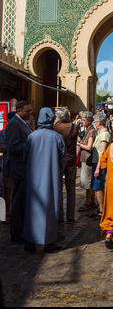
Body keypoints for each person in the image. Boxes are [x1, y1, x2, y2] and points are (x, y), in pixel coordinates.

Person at [23, 107, 66, 253]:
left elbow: (25, 156)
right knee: (49, 208)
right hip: (51, 178)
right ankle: (49, 241)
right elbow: (63, 158)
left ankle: (30, 240)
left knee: (32, 207)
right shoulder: (56, 137)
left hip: (33, 178)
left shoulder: (31, 136)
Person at [6, 101, 33, 243]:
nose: (30, 113)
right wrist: (29, 144)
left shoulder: (23, 123)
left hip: (24, 168)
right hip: (18, 168)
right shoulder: (14, 124)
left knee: (22, 201)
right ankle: (16, 233)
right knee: (18, 201)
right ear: (20, 110)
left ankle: (21, 229)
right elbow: (13, 147)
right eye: (28, 111)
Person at [54, 108, 79, 224]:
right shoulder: (74, 127)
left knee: (58, 188)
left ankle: (59, 215)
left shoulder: (55, 128)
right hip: (71, 160)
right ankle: (70, 216)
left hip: (59, 161)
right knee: (71, 189)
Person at [90, 112, 111, 218]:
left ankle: (102, 210)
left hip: (100, 164)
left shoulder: (104, 134)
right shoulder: (100, 133)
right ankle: (100, 208)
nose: (94, 123)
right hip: (96, 163)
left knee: (98, 186)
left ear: (99, 122)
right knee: (97, 187)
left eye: (94, 121)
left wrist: (98, 168)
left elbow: (102, 153)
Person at [78, 111, 97, 211]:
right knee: (89, 181)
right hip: (87, 159)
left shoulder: (91, 131)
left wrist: (79, 144)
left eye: (84, 120)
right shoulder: (88, 130)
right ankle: (92, 201)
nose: (82, 121)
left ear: (89, 121)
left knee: (87, 182)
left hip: (88, 159)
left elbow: (89, 147)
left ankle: (87, 202)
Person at [0, 111, 16, 223]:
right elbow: (1, 148)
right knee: (7, 189)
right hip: (7, 164)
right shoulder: (3, 133)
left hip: (16, 165)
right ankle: (7, 212)